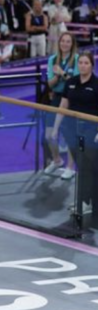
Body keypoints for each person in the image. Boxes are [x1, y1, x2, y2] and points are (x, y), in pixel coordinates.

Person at [54, 51, 98, 215]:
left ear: (92, 65)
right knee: (82, 166)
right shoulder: (71, 82)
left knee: (90, 167)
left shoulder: (96, 84)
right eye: (80, 63)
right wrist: (57, 127)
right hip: (72, 129)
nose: (83, 66)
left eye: (86, 63)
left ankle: (88, 202)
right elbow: (63, 105)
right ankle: (83, 201)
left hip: (91, 131)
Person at [44, 32, 79, 179]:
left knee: (70, 135)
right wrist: (57, 76)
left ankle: (70, 167)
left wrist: (62, 73)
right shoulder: (52, 59)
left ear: (72, 44)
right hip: (57, 97)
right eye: (62, 41)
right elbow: (50, 84)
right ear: (59, 43)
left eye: (68, 42)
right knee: (49, 134)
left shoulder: (77, 59)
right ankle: (57, 159)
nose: (65, 44)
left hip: (72, 99)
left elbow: (76, 81)